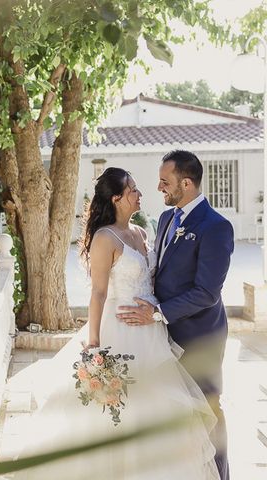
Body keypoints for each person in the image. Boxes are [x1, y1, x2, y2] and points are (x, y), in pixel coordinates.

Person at [12, 166, 221, 479]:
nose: (140, 194)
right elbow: (97, 293)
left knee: (157, 406)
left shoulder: (141, 232)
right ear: (117, 199)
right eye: (133, 190)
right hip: (120, 331)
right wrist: (94, 345)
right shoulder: (104, 237)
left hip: (152, 332)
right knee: (117, 410)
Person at [116, 150, 233, 480]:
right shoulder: (167, 219)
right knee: (178, 410)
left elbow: (207, 292)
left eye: (165, 182)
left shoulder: (216, 227)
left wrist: (157, 313)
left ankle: (220, 475)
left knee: (207, 409)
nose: (159, 188)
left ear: (187, 183)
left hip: (200, 337)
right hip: (162, 336)